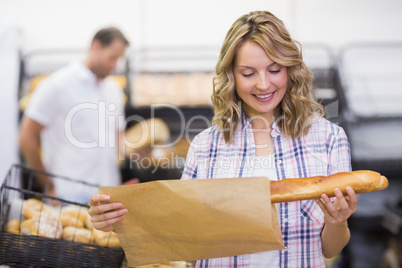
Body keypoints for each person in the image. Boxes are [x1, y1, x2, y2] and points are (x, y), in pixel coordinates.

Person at [88, 11, 357, 267]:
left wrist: (337, 221)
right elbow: (184, 233)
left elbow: (330, 249)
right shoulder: (206, 146)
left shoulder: (328, 138)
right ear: (231, 77)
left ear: (291, 69)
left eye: (274, 70)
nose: (263, 84)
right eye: (248, 73)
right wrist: (122, 220)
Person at [19, 27, 129, 204]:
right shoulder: (57, 85)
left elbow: (118, 141)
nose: (115, 66)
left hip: (108, 196)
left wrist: (140, 152)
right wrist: (48, 185)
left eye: (119, 60)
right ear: (96, 47)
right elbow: (26, 137)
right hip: (69, 197)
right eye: (112, 58)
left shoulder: (113, 90)